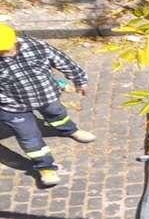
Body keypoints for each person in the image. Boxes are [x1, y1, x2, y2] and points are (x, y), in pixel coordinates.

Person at [0, 23, 95, 187]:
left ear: (15, 41)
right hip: (13, 106)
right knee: (29, 138)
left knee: (57, 114)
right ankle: (46, 168)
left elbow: (63, 61)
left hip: (46, 95)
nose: (4, 54)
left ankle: (70, 130)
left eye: (5, 49)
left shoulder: (37, 46)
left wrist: (80, 80)